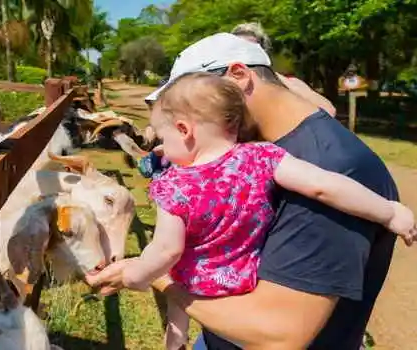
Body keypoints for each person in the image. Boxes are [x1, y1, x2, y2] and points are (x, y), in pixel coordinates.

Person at [86, 33, 413, 349]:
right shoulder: (270, 154)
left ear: (238, 76)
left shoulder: (332, 164)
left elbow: (279, 336)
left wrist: (155, 277)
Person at [230, 22, 337, 117]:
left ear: (264, 53)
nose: (244, 54)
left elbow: (328, 111)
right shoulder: (220, 85)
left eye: (252, 49)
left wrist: (271, 73)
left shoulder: (287, 83)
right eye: (238, 48)